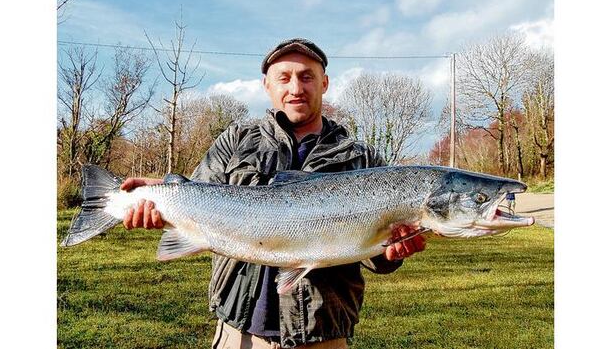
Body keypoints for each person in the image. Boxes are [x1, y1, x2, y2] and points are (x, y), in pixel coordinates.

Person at [121, 38, 427, 348]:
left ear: (325, 83)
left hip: (324, 337)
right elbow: (197, 194)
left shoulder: (362, 158)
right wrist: (158, 198)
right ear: (267, 86)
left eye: (307, 76)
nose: (296, 88)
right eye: (284, 78)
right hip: (237, 334)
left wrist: (392, 254)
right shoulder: (236, 140)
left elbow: (379, 258)